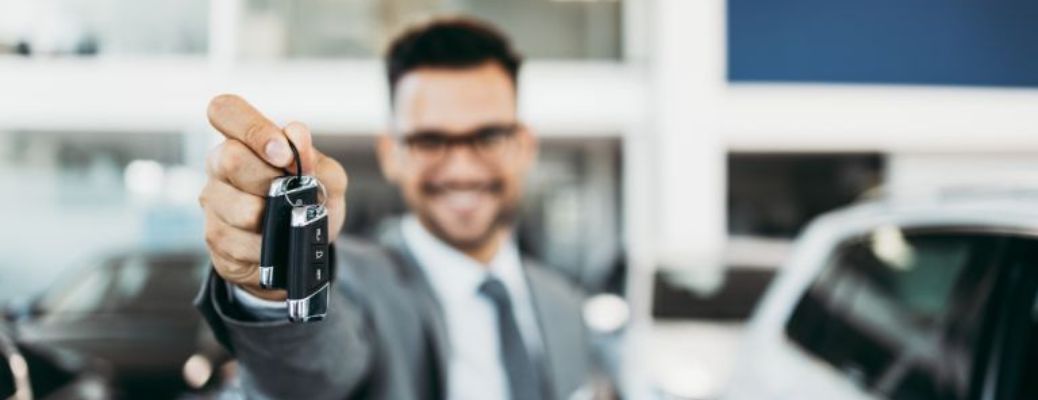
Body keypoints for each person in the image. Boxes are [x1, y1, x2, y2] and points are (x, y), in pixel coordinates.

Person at [195, 17, 607, 400]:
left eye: (489, 136)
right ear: (391, 154)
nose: (461, 168)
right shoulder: (355, 283)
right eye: (430, 140)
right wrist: (282, 280)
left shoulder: (563, 302)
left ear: (524, 147)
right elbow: (306, 374)